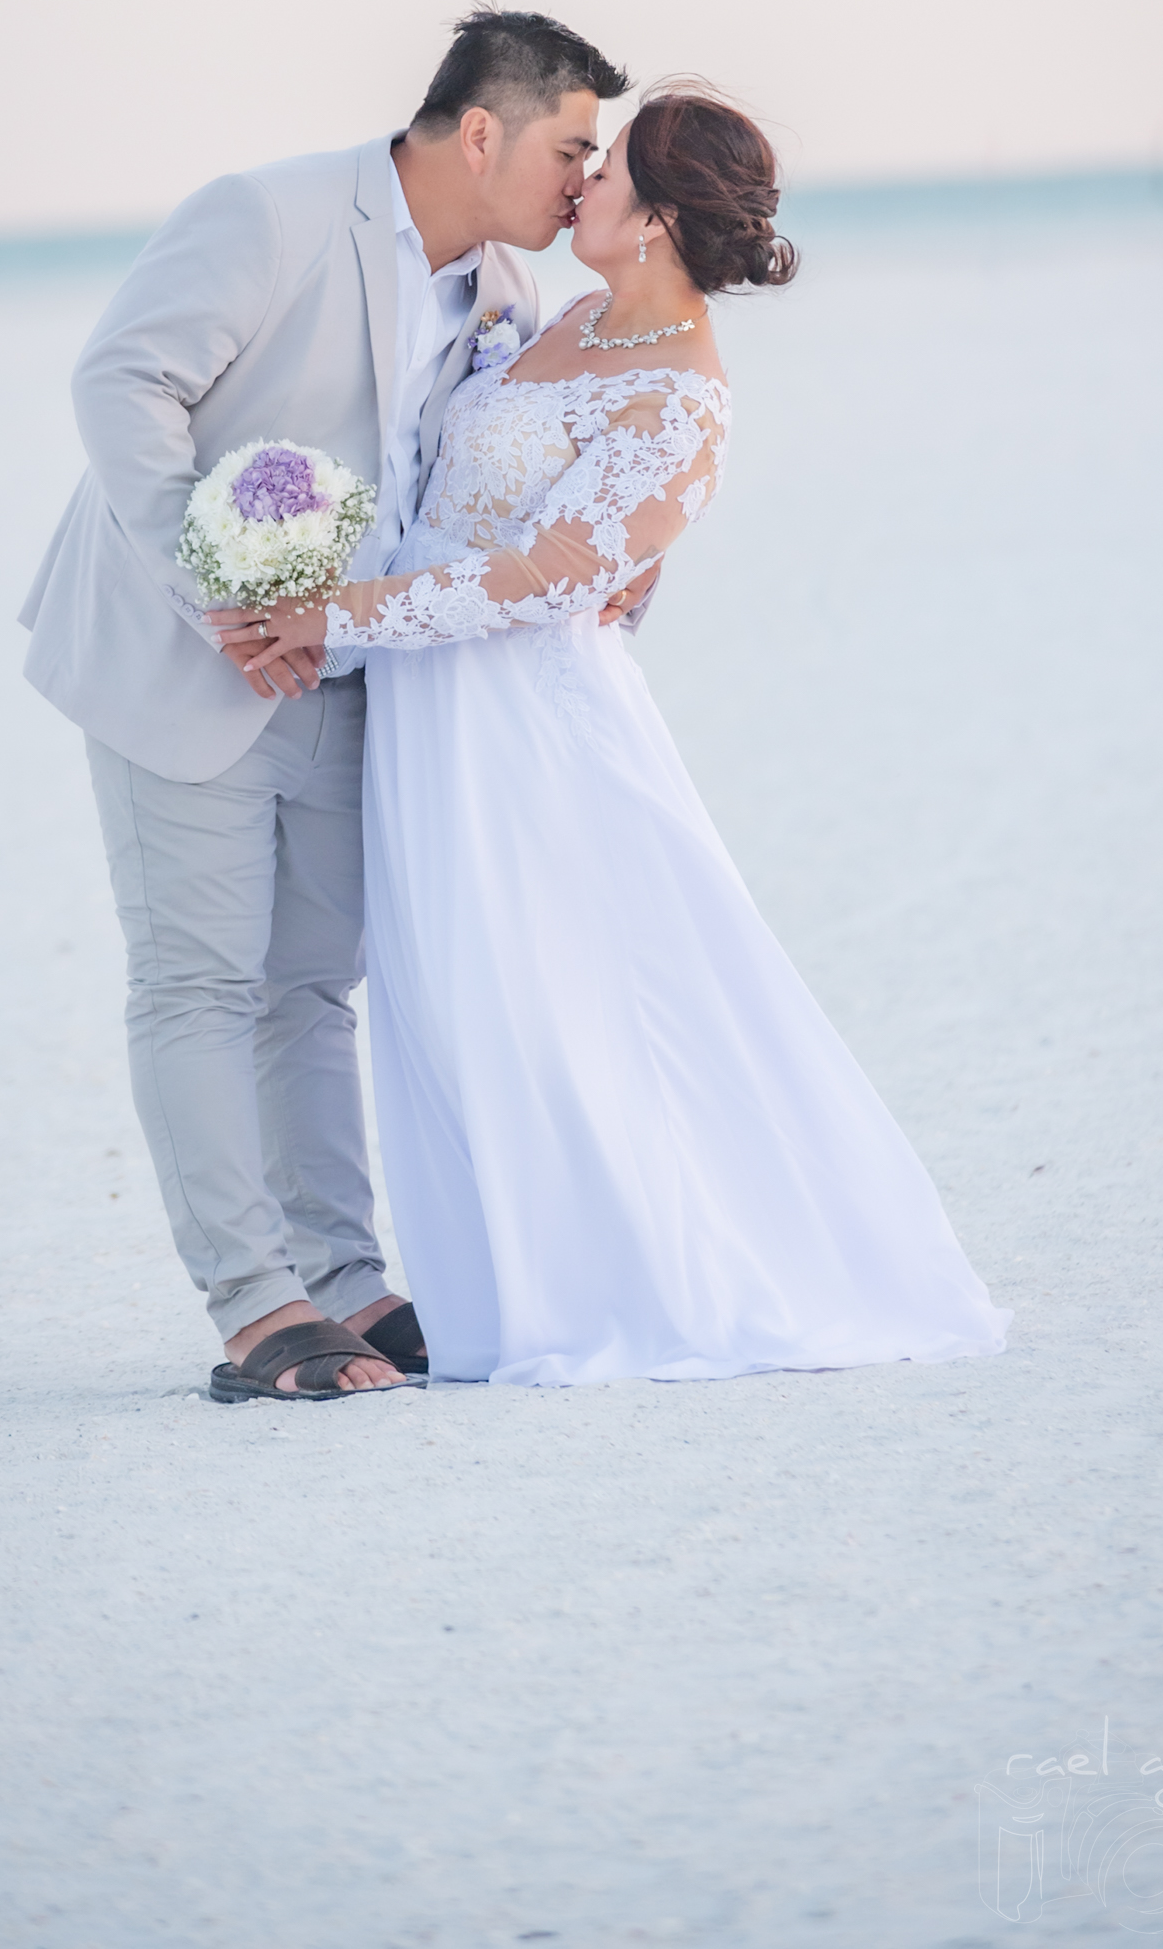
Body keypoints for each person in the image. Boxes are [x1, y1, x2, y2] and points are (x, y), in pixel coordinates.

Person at [213, 89, 1011, 1387]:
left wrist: (336, 614)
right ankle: (500, 1292)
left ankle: (627, 1288)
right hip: (429, 715)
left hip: (527, 735)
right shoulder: (566, 318)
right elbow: (478, 504)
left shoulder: (684, 394)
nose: (577, 180)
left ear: (657, 218)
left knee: (553, 1003)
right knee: (453, 1005)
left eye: (607, 167)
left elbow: (544, 577)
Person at [19, 9, 636, 1399]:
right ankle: (254, 1309)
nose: (583, 180)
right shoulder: (270, 215)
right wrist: (220, 596)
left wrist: (613, 561)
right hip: (182, 658)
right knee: (198, 979)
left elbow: (474, 481)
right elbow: (122, 381)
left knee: (310, 989)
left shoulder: (504, 291)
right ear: (479, 132)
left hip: (351, 677)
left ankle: (344, 1281)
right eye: (569, 148)